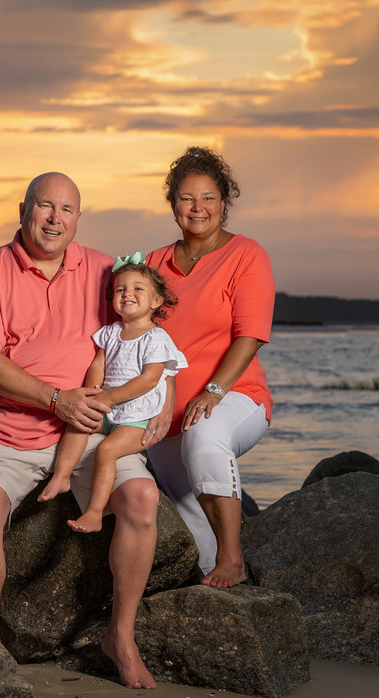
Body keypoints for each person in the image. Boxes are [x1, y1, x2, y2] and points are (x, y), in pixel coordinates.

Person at [0, 171, 166, 689]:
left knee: (140, 499)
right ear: (23, 209)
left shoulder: (101, 270)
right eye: (45, 206)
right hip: (6, 433)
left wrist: (166, 402)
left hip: (91, 429)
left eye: (66, 210)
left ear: (77, 218)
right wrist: (54, 399)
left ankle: (121, 636)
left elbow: (150, 333)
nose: (54, 218)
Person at [143, 146, 275, 589]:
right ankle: (214, 590)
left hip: (236, 398)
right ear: (172, 204)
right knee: (186, 508)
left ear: (224, 202)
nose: (197, 208)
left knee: (205, 437)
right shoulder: (152, 265)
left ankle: (233, 559)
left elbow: (250, 335)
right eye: (186, 198)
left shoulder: (247, 255)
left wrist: (213, 392)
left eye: (208, 198)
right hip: (167, 410)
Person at [37, 255, 186, 533]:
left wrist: (109, 398)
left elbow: (149, 380)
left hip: (136, 417)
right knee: (78, 424)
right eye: (121, 289)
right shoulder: (110, 332)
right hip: (109, 407)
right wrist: (94, 394)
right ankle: (62, 475)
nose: (128, 293)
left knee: (106, 450)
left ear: (156, 301)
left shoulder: (156, 338)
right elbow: (98, 365)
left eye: (138, 288)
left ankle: (94, 512)